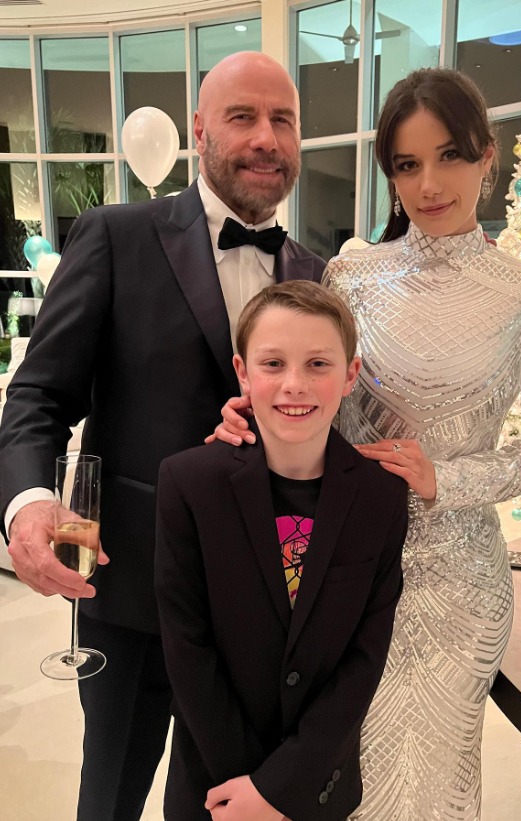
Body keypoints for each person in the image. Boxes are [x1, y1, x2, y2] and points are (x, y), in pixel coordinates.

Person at [212, 67, 521, 820]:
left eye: (449, 156)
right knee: (339, 774)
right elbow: (317, 393)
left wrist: (448, 479)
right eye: (407, 165)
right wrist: (260, 413)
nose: (429, 185)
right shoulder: (352, 274)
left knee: (438, 783)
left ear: (487, 155)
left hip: (460, 587)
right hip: (344, 569)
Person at [0, 52, 326, 821]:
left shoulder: (316, 276)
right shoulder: (116, 236)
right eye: (244, 116)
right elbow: (39, 395)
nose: (266, 136)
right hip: (130, 590)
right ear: (201, 131)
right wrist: (28, 502)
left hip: (260, 613)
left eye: (282, 120)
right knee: (109, 797)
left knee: (221, 805)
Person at [155, 280, 408, 821]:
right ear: (243, 372)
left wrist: (282, 788)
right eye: (273, 364)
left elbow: (365, 656)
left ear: (350, 375)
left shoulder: (381, 496)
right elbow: (186, 644)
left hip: (316, 784)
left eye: (318, 364)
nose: (295, 385)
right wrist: (248, 787)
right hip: (214, 784)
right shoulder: (188, 483)